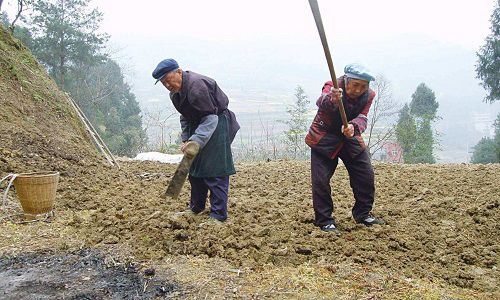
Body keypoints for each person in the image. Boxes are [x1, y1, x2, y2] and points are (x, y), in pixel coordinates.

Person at [152, 58, 240, 223]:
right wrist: (187, 139)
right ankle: (196, 208)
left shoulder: (196, 86)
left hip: (217, 123)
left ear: (179, 72)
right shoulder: (175, 95)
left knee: (215, 170)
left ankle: (218, 215)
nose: (167, 86)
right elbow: (185, 117)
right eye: (163, 83)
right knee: (195, 170)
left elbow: (210, 118)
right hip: (199, 124)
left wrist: (197, 140)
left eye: (168, 80)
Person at [305, 63, 385, 234]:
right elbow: (321, 101)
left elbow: (363, 117)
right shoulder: (332, 86)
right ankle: (325, 220)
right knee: (321, 180)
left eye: (362, 87)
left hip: (350, 137)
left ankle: (363, 213)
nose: (358, 90)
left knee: (365, 174)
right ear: (346, 80)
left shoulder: (369, 95)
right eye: (355, 85)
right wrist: (333, 98)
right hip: (324, 137)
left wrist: (353, 127)